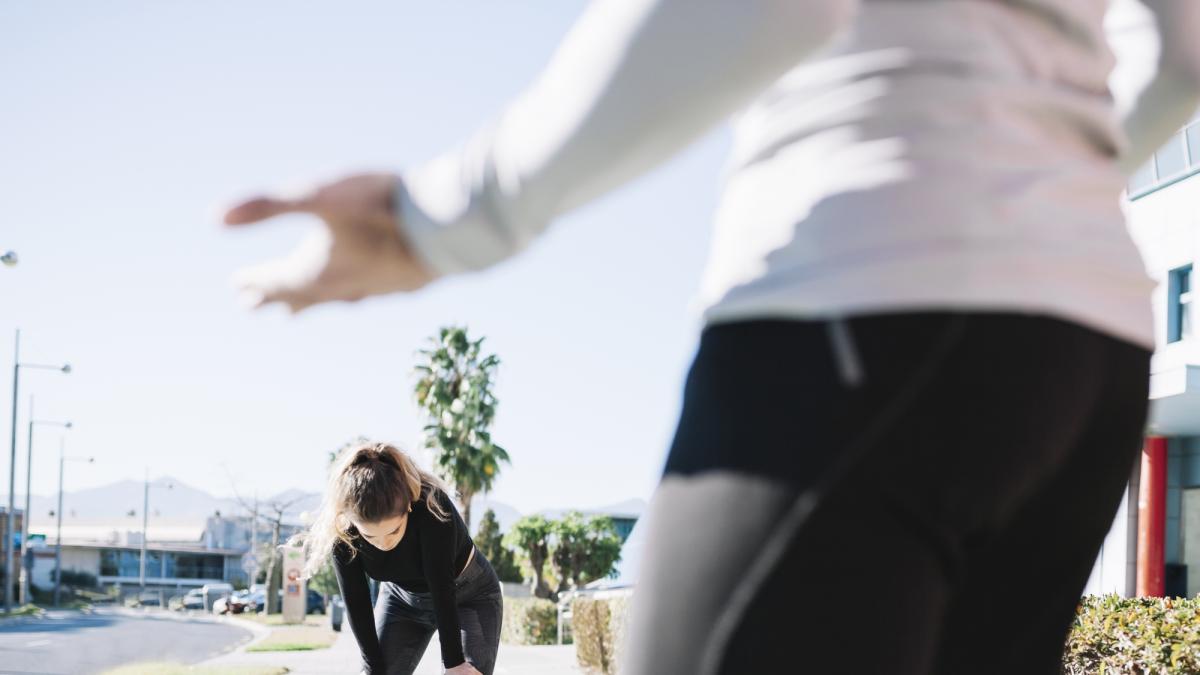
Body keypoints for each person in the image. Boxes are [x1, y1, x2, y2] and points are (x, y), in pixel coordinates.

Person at [225, 1, 1200, 672]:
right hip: (1089, 339)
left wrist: (445, 222)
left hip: (865, 301)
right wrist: (1047, 183)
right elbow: (1182, 53)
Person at [301, 442, 501, 675]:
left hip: (468, 595)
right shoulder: (343, 533)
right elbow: (357, 603)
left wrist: (454, 662)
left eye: (394, 531)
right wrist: (374, 669)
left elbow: (441, 585)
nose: (384, 544)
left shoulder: (432, 507)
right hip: (402, 602)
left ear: (408, 505)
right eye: (370, 536)